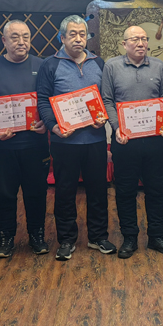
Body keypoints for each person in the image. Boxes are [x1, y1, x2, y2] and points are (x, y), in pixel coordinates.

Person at [36, 15, 114, 261]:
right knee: (65, 191)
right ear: (62, 37)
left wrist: (103, 118)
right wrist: (53, 127)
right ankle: (67, 240)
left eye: (83, 34)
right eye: (73, 34)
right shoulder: (50, 65)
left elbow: (106, 98)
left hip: (95, 139)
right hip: (64, 141)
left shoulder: (98, 62)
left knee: (98, 190)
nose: (79, 39)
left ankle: (98, 236)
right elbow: (43, 100)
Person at [0, 20, 50, 259]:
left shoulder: (43, 66)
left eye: (26, 36)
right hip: (2, 146)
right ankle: (5, 237)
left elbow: (51, 100)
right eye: (15, 37)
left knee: (36, 193)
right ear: (4, 41)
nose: (21, 42)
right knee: (3, 194)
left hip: (35, 145)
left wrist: (47, 123)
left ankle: (37, 235)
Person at [101, 25, 163, 259]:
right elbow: (107, 100)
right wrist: (117, 128)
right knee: (125, 191)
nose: (141, 43)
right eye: (135, 39)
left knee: (157, 189)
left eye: (144, 39)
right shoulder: (111, 66)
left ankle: (157, 236)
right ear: (124, 44)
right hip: (125, 141)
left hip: (155, 141)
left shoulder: (158, 66)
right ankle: (129, 237)